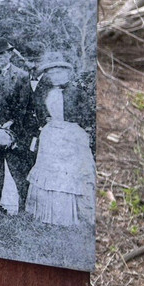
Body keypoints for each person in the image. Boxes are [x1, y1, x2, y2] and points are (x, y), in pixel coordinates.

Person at [25, 52, 95, 226]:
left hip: (72, 134)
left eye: (59, 73)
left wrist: (78, 127)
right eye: (52, 73)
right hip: (51, 134)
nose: (56, 76)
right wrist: (46, 120)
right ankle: (51, 214)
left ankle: (76, 214)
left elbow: (87, 114)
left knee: (71, 171)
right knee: (51, 171)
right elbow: (39, 111)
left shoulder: (77, 91)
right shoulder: (45, 92)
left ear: (67, 73)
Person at [0, 37, 36, 210]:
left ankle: (22, 203)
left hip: (16, 127)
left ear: (9, 54)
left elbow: (23, 105)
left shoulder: (21, 75)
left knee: (17, 167)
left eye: (2, 54)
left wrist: (10, 122)